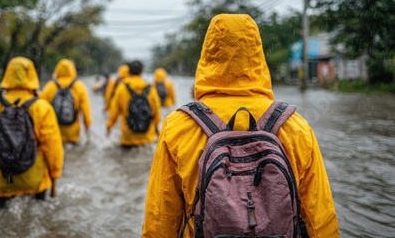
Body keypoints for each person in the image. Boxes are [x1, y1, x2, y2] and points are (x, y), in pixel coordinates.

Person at [142, 14, 340, 237]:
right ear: (258, 55)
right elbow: (320, 217)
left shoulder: (179, 125)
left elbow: (160, 218)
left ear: (207, 56)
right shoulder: (295, 125)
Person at [0, 56, 63, 208]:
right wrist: (55, 174)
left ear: (7, 75)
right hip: (35, 180)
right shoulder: (42, 107)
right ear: (32, 75)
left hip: (4, 180)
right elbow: (53, 146)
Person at [106, 60, 162, 147]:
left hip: (128, 138)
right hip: (147, 137)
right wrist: (156, 128)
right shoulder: (150, 87)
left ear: (129, 72)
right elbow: (156, 109)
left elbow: (114, 110)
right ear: (142, 72)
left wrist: (109, 125)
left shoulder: (122, 87)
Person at [39, 59, 92, 144]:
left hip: (55, 133)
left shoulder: (50, 86)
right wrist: (87, 126)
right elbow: (86, 110)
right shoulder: (79, 86)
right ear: (72, 70)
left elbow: (40, 109)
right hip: (73, 134)